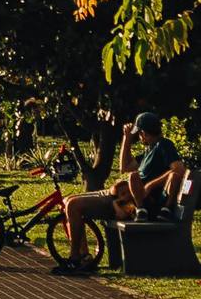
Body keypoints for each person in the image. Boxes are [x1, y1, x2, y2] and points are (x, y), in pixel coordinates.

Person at [53, 112, 184, 276]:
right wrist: (126, 140)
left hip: (124, 200)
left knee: (73, 205)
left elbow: (178, 169)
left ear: (143, 132)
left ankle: (75, 258)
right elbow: (126, 167)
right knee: (68, 201)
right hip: (115, 193)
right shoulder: (150, 150)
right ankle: (84, 256)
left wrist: (150, 185)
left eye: (139, 133)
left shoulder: (164, 146)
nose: (139, 137)